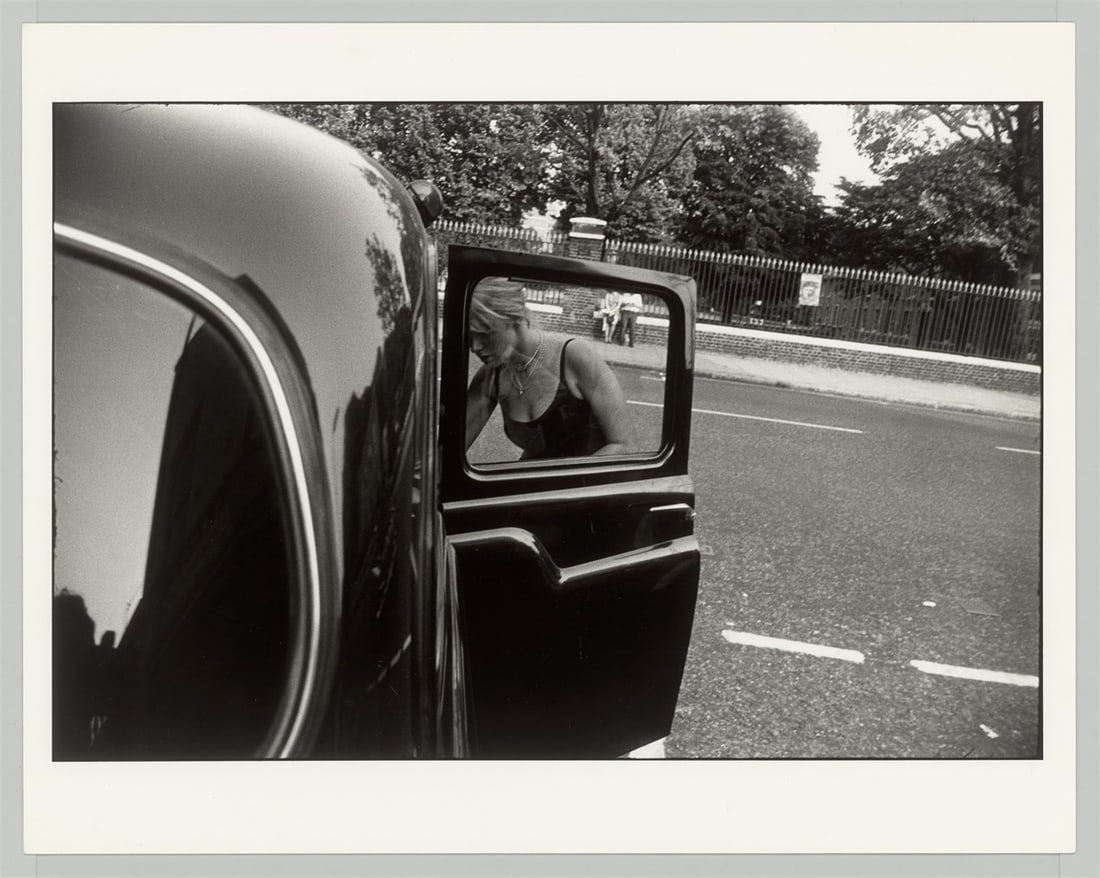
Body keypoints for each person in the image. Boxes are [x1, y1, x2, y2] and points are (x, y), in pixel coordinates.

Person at [465, 278, 634, 460]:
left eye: (484, 334)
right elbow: (450, 447)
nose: (475, 346)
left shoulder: (575, 356)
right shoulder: (491, 376)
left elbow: (624, 447)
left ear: (513, 317)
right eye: (469, 336)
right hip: (534, 481)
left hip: (588, 485)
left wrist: (554, 484)